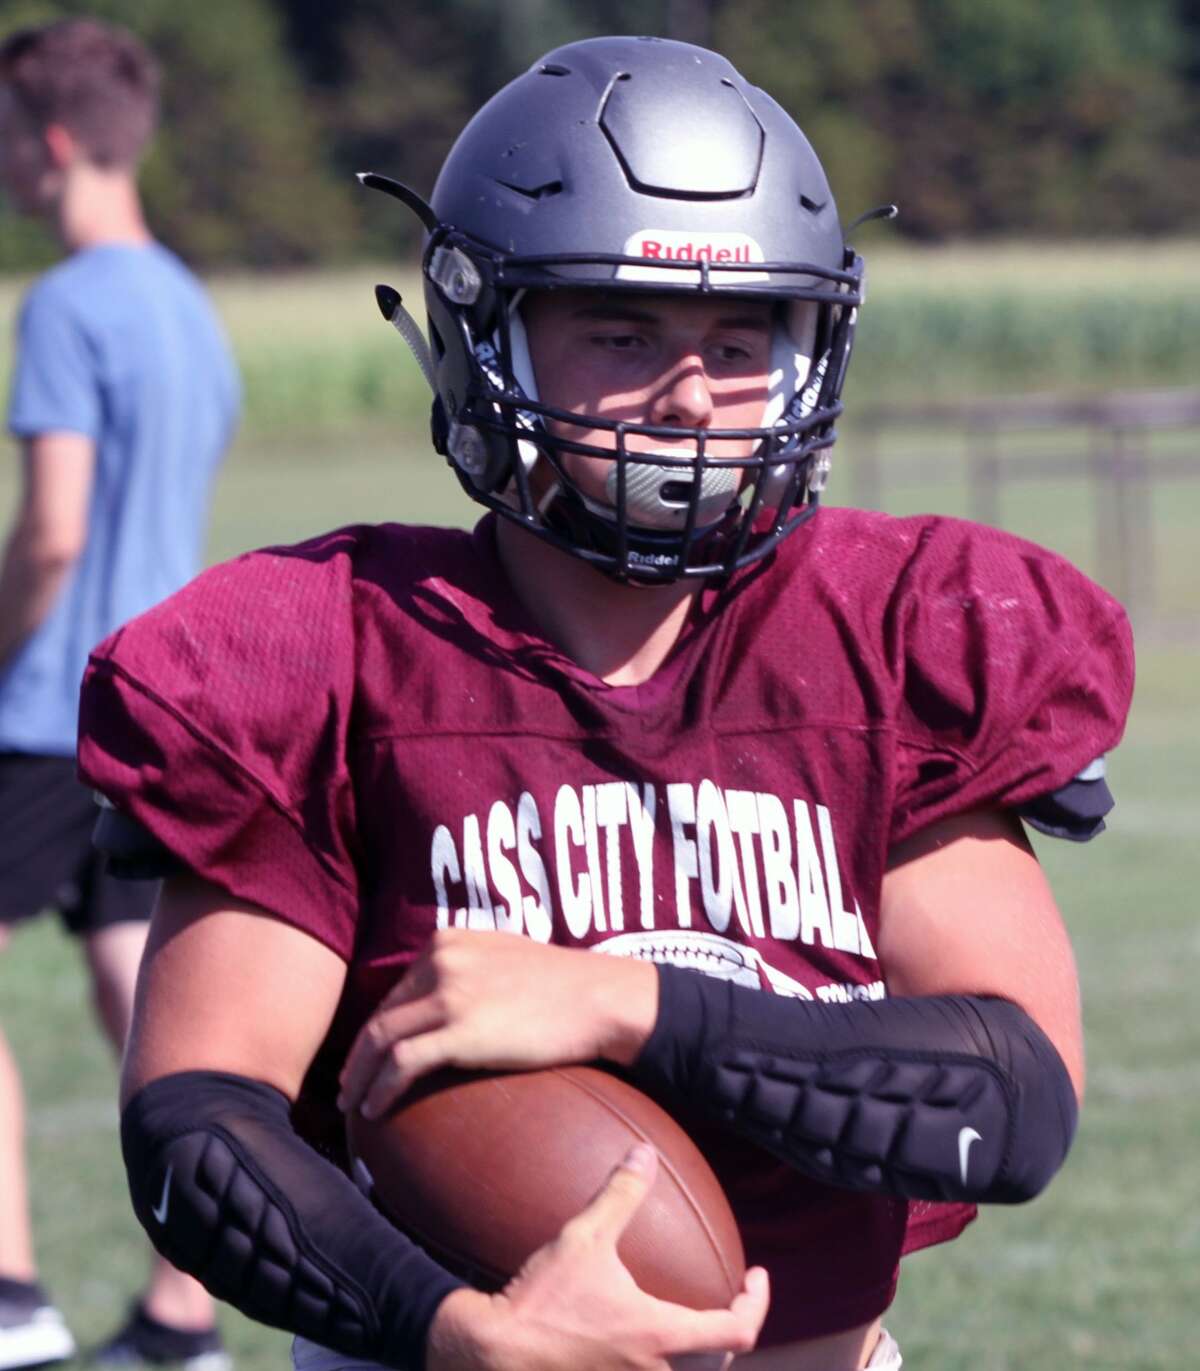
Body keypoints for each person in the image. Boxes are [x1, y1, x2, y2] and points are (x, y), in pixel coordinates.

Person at [75, 35, 1132, 1371]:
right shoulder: (335, 651)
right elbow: (196, 1123)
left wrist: (633, 1006)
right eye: (622, 334)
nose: (689, 395)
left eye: (739, 341)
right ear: (488, 338)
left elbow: (1014, 1101)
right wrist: (452, 1329)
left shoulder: (882, 638)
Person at [0, 18, 240, 1371]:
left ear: (47, 142)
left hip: (47, 708)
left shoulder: (67, 305)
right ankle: (182, 1315)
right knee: (142, 1000)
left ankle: (10, 1298)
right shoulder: (189, 307)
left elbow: (52, 532)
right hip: (161, 709)